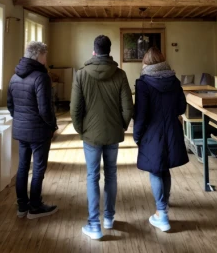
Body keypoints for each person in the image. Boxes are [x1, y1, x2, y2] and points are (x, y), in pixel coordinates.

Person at [70, 35, 134, 241]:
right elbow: (128, 107)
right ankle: (109, 218)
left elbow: (75, 109)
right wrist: (122, 126)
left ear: (94, 51)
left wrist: (81, 130)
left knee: (92, 176)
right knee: (112, 175)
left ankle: (94, 224)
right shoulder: (120, 74)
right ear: (110, 50)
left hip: (90, 134)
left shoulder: (80, 75)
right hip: (112, 132)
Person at [133, 47, 188, 232]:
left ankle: (161, 214)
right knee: (165, 169)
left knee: (156, 170)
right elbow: (181, 107)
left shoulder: (143, 84)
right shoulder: (174, 80)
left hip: (152, 133)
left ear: (146, 63)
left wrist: (137, 134)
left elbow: (141, 114)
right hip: (172, 130)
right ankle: (164, 203)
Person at [7, 41, 58, 219]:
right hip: (38, 132)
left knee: (22, 168)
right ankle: (35, 207)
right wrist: (52, 125)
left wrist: (21, 120)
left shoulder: (14, 77)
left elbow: (10, 106)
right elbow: (45, 109)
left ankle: (22, 206)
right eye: (45, 55)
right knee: (38, 169)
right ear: (39, 56)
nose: (46, 59)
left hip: (21, 130)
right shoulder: (40, 77)